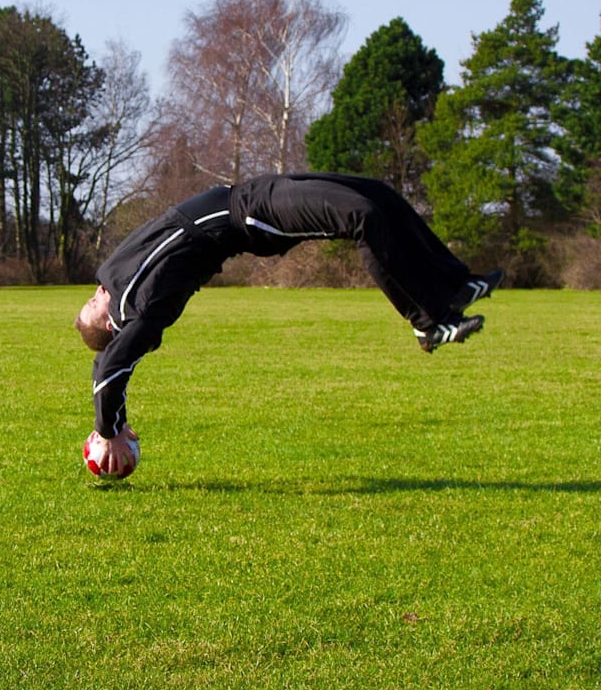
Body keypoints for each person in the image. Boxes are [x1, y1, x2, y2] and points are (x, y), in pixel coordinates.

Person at [74, 172, 502, 476]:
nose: (93, 295)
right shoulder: (139, 306)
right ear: (110, 322)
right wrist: (108, 430)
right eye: (91, 308)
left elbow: (112, 362)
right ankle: (425, 321)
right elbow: (111, 367)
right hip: (250, 216)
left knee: (381, 195)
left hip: (252, 189)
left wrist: (119, 420)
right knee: (362, 217)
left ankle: (455, 286)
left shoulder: (113, 274)